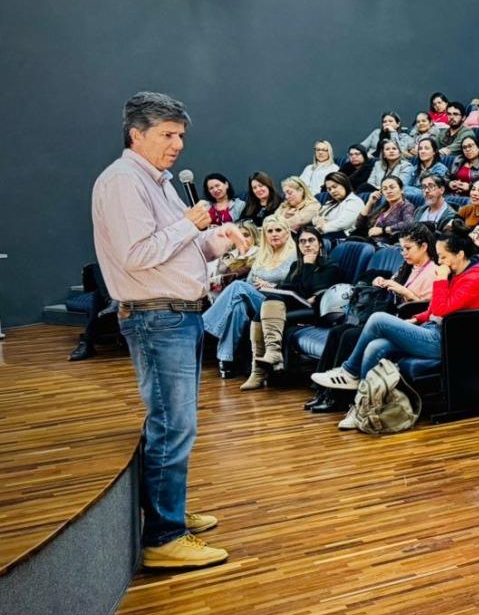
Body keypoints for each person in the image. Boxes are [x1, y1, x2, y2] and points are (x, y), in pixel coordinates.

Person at [92, 91, 251, 568]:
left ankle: (169, 511)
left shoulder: (155, 181)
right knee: (173, 424)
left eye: (180, 134)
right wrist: (188, 226)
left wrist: (213, 240)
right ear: (136, 134)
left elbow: (172, 249)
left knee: (172, 423)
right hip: (156, 316)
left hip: (174, 313)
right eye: (167, 134)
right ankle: (163, 536)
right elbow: (136, 254)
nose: (177, 143)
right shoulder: (123, 182)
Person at [311, 225, 479, 421]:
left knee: (378, 319)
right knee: (375, 346)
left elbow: (442, 309)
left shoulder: (473, 279)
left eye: (443, 257)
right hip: (432, 329)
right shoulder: (458, 272)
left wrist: (440, 279)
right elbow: (434, 308)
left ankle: (349, 372)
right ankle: (362, 408)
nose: (440, 261)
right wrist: (417, 318)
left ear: (460, 254)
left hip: (446, 340)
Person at [237, 227, 343, 391]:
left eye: (311, 240)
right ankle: (262, 366)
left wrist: (308, 267)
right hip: (295, 304)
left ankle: (261, 368)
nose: (307, 245)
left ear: (320, 244)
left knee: (269, 306)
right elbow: (288, 287)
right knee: (263, 308)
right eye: (302, 241)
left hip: (314, 310)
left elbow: (311, 291)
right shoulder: (296, 265)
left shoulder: (330, 266)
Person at [201, 215, 297, 372]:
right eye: (270, 231)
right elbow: (250, 282)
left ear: (287, 232)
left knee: (238, 286)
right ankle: (226, 359)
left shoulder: (294, 256)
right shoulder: (263, 255)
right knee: (238, 306)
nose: (274, 234)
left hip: (277, 302)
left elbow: (297, 285)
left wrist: (272, 285)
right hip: (256, 299)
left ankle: (203, 327)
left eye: (278, 230)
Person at [315, 171, 366, 235]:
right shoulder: (329, 203)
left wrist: (322, 227)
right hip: (326, 234)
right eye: (329, 189)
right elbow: (315, 217)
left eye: (335, 187)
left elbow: (343, 223)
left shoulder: (354, 201)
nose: (332, 191)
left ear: (344, 184)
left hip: (342, 238)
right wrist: (318, 221)